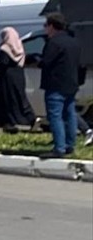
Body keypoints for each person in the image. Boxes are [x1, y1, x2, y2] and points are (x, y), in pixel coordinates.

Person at [39, 13, 80, 158]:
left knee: (55, 116)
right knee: (70, 114)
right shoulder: (73, 42)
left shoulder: (54, 43)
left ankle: (59, 148)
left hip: (55, 84)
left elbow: (46, 62)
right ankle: (70, 145)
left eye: (46, 26)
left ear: (51, 26)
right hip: (71, 83)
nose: (45, 29)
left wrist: (36, 59)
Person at [0, 27, 36, 131]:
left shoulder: (5, 47)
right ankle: (30, 118)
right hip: (19, 75)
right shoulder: (19, 47)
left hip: (8, 77)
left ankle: (10, 122)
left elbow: (3, 62)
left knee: (8, 99)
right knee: (20, 97)